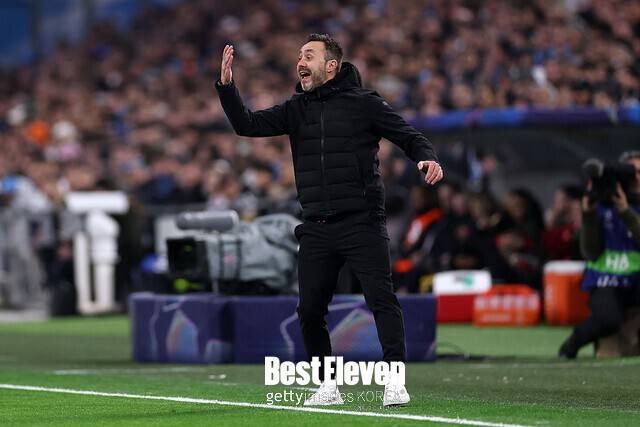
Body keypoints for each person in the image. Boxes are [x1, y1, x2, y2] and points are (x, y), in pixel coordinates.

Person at [215, 34, 443, 406]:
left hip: (362, 222)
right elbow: (247, 124)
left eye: (309, 55)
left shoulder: (364, 103)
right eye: (299, 56)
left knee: (381, 299)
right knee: (309, 311)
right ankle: (327, 386)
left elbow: (409, 136)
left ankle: (394, 381)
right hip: (316, 226)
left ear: (331, 66)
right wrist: (226, 86)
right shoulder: (296, 109)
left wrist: (427, 157)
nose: (300, 62)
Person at [559, 151, 640, 358]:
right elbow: (590, 252)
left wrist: (626, 212)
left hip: (637, 280)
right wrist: (588, 216)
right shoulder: (603, 205)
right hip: (606, 278)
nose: (637, 177)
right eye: (633, 172)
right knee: (608, 319)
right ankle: (572, 344)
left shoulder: (627, 208)